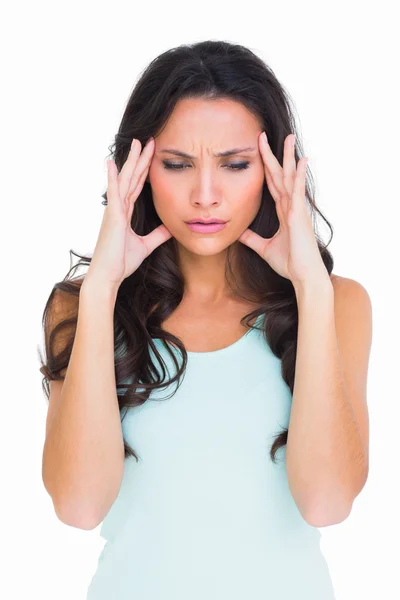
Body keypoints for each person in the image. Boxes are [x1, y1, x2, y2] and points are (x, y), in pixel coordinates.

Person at [39, 40, 371, 600]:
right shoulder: (83, 306)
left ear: (275, 170)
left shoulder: (336, 303)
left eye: (235, 165)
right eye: (177, 165)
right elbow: (77, 505)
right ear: (138, 170)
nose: (206, 196)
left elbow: (327, 503)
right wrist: (101, 293)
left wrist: (310, 288)